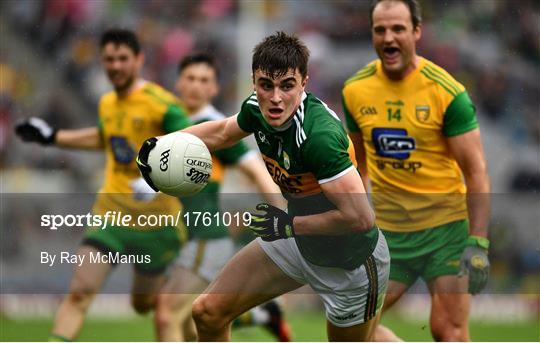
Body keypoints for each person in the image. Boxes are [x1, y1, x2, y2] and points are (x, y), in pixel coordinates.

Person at [137, 31, 390, 341]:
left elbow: (360, 217)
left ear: (304, 83)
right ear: (254, 81)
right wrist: (164, 144)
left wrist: (287, 226)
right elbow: (222, 132)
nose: (275, 97)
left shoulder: (319, 138)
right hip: (298, 242)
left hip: (350, 262)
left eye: (287, 86)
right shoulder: (256, 106)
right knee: (208, 311)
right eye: (265, 85)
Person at [15, 28, 191, 341]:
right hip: (111, 216)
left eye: (123, 58)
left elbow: (191, 148)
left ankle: (197, 317)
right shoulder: (108, 103)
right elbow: (104, 138)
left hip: (157, 225)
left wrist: (157, 181)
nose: (116, 65)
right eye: (109, 59)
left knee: (143, 304)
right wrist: (51, 137)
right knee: (80, 291)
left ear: (139, 60)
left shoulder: (163, 105)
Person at [341, 0, 491, 341]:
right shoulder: (355, 90)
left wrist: (478, 242)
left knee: (447, 331)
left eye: (398, 29)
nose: (389, 37)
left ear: (417, 32)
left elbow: (477, 171)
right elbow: (357, 166)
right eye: (380, 30)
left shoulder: (447, 92)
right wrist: (353, 224)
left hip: (446, 233)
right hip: (390, 236)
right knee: (352, 328)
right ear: (372, 34)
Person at [154, 52, 292, 341]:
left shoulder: (216, 129)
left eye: (204, 80)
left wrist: (282, 218)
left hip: (206, 237)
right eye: (190, 78)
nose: (196, 85)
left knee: (167, 314)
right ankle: (262, 315)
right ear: (178, 82)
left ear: (214, 88)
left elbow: (258, 172)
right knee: (193, 323)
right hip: (180, 236)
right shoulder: (170, 120)